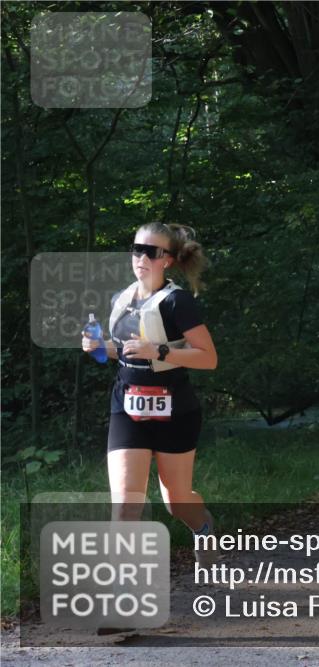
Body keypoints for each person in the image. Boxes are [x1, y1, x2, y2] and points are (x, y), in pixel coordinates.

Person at [81, 223, 218, 573]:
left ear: (168, 261)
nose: (141, 257)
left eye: (152, 252)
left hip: (176, 410)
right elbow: (126, 354)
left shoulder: (177, 302)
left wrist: (157, 349)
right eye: (137, 248)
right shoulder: (122, 300)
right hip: (127, 406)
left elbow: (208, 358)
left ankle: (203, 527)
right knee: (126, 504)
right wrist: (100, 348)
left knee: (177, 503)